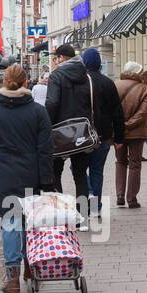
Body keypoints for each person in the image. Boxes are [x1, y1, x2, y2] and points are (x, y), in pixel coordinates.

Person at [0, 64, 54, 293]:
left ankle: (13, 278)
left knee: (10, 223)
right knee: (30, 222)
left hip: (2, 173)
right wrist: (47, 180)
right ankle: (31, 266)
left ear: (3, 83)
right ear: (26, 82)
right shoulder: (38, 112)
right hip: (31, 173)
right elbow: (46, 149)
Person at [44, 44, 93, 215]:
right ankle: (83, 215)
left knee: (55, 173)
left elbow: (52, 102)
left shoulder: (56, 76)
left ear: (63, 58)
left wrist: (46, 124)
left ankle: (60, 214)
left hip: (60, 131)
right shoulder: (86, 75)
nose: (55, 61)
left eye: (56, 58)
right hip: (81, 130)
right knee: (80, 174)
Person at [81, 47, 124, 218]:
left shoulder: (80, 82)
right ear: (99, 63)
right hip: (104, 135)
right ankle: (96, 205)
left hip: (82, 136)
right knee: (97, 170)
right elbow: (117, 112)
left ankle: (87, 196)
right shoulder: (108, 83)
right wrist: (119, 137)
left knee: (79, 169)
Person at [114, 62, 147, 208]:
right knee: (135, 164)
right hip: (136, 133)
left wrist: (119, 126)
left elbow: (110, 109)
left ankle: (119, 195)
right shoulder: (144, 89)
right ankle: (131, 199)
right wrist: (129, 125)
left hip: (118, 132)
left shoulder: (115, 85)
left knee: (120, 162)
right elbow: (143, 113)